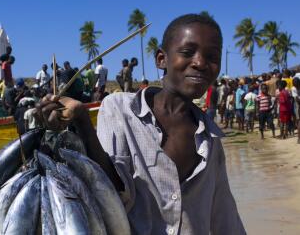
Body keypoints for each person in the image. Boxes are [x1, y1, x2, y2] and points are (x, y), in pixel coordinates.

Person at [36, 13, 245, 234]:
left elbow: (224, 217)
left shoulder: (210, 142)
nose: (201, 63)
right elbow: (109, 191)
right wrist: (82, 122)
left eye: (212, 56)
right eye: (187, 52)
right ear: (161, 59)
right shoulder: (120, 109)